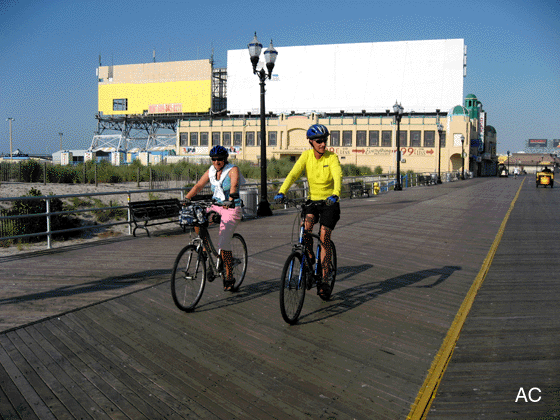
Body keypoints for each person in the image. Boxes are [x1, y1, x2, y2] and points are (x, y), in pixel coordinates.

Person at [274, 124, 342, 299]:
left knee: (324, 237)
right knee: (306, 227)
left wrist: (336, 194)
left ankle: (325, 279)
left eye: (324, 140)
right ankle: (309, 255)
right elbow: (293, 174)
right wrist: (282, 191)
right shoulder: (306, 156)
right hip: (313, 200)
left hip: (329, 202)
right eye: (319, 141)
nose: (323, 144)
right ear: (311, 142)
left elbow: (337, 176)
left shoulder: (332, 158)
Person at [184, 145, 243, 291]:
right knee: (197, 217)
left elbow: (234, 185)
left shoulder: (233, 170)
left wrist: (231, 197)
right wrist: (186, 198)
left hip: (231, 207)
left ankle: (229, 275)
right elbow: (198, 186)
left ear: (225, 159)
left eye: (220, 159)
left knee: (223, 242)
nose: (216, 162)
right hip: (215, 205)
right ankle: (205, 250)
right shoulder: (211, 171)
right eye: (214, 159)